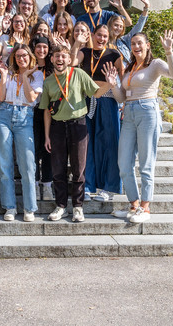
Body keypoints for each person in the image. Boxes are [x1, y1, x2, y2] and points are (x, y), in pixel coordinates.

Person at [103, 30, 173, 223]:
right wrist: (113, 85)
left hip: (147, 111)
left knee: (146, 163)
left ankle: (145, 208)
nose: (136, 47)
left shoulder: (155, 64)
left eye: (140, 43)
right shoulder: (130, 68)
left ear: (147, 45)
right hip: (128, 112)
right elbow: (121, 97)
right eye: (133, 44)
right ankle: (134, 205)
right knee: (124, 163)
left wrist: (169, 52)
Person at [39, 45, 114, 222]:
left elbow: (95, 92)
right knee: (58, 169)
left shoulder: (78, 74)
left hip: (78, 125)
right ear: (52, 59)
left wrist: (109, 84)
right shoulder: (48, 81)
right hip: (57, 126)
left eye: (63, 56)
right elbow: (46, 111)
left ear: (68, 58)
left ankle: (78, 207)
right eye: (57, 56)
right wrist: (47, 135)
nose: (60, 59)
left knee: (79, 168)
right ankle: (61, 206)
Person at [0, 44, 44, 222]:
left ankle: (29, 208)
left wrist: (24, 76)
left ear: (30, 56)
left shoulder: (37, 75)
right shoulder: (9, 74)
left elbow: (32, 98)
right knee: (5, 162)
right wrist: (2, 77)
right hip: (4, 114)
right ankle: (10, 207)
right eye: (17, 56)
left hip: (25, 116)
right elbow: (1, 97)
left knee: (27, 164)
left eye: (24, 55)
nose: (21, 59)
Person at [78, 24, 124, 201]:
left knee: (109, 144)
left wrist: (124, 101)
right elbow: (73, 63)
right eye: (99, 35)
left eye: (105, 36)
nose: (102, 39)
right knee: (87, 144)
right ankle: (88, 186)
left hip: (108, 100)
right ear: (93, 35)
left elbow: (124, 77)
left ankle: (108, 188)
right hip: (88, 100)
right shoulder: (85, 52)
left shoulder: (114, 55)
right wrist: (77, 44)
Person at [29, 35, 54, 201]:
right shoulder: (29, 67)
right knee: (35, 148)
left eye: (44, 47)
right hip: (33, 111)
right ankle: (36, 183)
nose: (41, 50)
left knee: (49, 149)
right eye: (38, 47)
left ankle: (47, 185)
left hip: (51, 112)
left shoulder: (53, 67)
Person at [108, 0, 150, 64]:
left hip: (127, 73)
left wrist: (146, 7)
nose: (118, 28)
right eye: (116, 25)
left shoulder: (124, 41)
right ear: (110, 25)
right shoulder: (102, 41)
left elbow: (139, 26)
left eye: (121, 26)